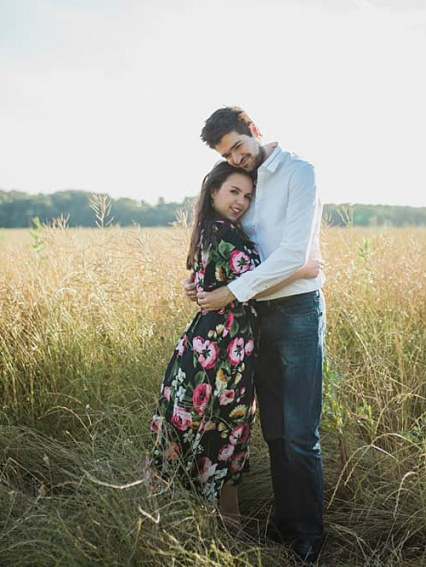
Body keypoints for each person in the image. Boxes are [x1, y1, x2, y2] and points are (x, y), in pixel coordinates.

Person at [188, 106, 326, 563]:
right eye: (226, 155)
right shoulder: (244, 182)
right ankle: (287, 525)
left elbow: (293, 255)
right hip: (252, 319)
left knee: (299, 433)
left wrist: (229, 292)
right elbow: (231, 242)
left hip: (297, 312)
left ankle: (307, 538)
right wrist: (201, 281)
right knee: (274, 432)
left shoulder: (299, 173)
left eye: (238, 147)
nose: (236, 158)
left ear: (255, 131)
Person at [149, 161, 318, 528]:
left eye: (248, 196)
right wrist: (301, 270)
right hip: (220, 351)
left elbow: (224, 283)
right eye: (234, 192)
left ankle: (225, 522)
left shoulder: (211, 229)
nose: (241, 201)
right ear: (214, 192)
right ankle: (222, 523)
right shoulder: (224, 232)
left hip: (218, 346)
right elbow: (253, 285)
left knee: (222, 430)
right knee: (223, 429)